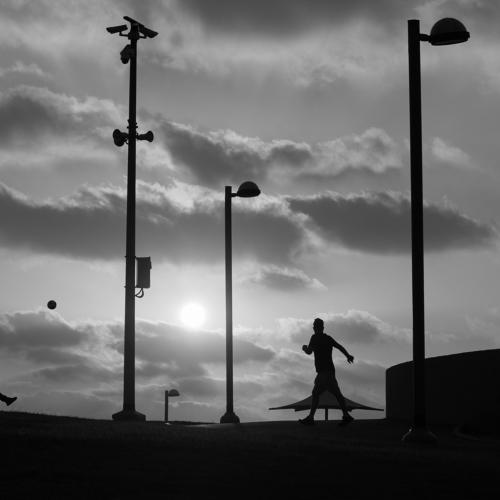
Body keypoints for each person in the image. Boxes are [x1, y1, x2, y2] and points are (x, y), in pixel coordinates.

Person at [299, 317, 354, 426]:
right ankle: (346, 415)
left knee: (318, 393)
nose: (314, 328)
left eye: (314, 326)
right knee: (334, 394)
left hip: (323, 372)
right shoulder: (327, 338)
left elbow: (309, 351)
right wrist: (347, 355)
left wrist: (304, 348)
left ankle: (311, 418)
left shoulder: (314, 338)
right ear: (323, 327)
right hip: (329, 370)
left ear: (315, 327)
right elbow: (339, 347)